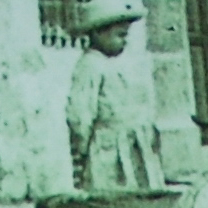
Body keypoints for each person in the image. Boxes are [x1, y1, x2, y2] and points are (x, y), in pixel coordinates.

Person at [66, 0, 166, 192]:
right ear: (97, 33)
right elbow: (80, 113)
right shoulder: (90, 66)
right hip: (108, 148)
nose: (125, 41)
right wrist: (82, 148)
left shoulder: (122, 63)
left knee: (143, 189)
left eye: (126, 35)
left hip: (135, 144)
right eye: (120, 35)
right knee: (112, 192)